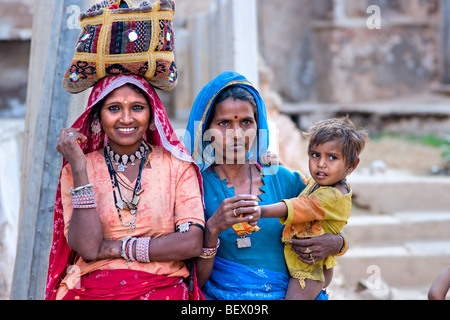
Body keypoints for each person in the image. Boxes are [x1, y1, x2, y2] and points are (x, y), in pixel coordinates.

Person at [184, 71, 348, 300]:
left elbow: (332, 215)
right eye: (223, 123)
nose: (237, 134)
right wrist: (212, 229)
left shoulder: (284, 179)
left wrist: (337, 243)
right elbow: (193, 282)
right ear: (205, 130)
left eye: (246, 122)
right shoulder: (194, 188)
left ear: (258, 125)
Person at [45, 74, 205, 300]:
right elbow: (89, 249)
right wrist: (80, 167)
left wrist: (116, 248)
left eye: (137, 107)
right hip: (92, 288)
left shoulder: (176, 165)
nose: (126, 118)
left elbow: (191, 242)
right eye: (114, 108)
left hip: (161, 287)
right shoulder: (77, 169)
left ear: (152, 117)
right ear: (98, 118)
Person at [260, 117, 368, 299]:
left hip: (309, 271)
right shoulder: (322, 185)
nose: (321, 164)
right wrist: (279, 166)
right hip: (305, 264)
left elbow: (301, 205)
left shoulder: (332, 196)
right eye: (315, 155)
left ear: (352, 164)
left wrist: (260, 211)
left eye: (332, 157)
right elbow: (304, 187)